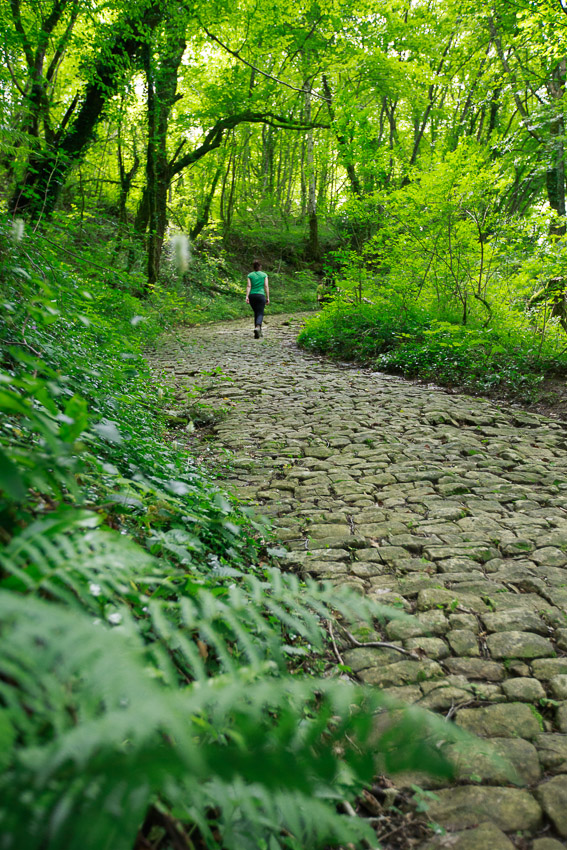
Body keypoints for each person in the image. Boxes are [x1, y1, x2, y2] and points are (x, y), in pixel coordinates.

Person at [245, 260, 270, 338]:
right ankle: (258, 327)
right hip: (261, 295)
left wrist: (247, 296)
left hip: (252, 296)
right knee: (260, 313)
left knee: (256, 313)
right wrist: (268, 297)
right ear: (260, 266)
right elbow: (266, 286)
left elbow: (249, 286)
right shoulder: (264, 275)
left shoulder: (250, 275)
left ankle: (258, 332)